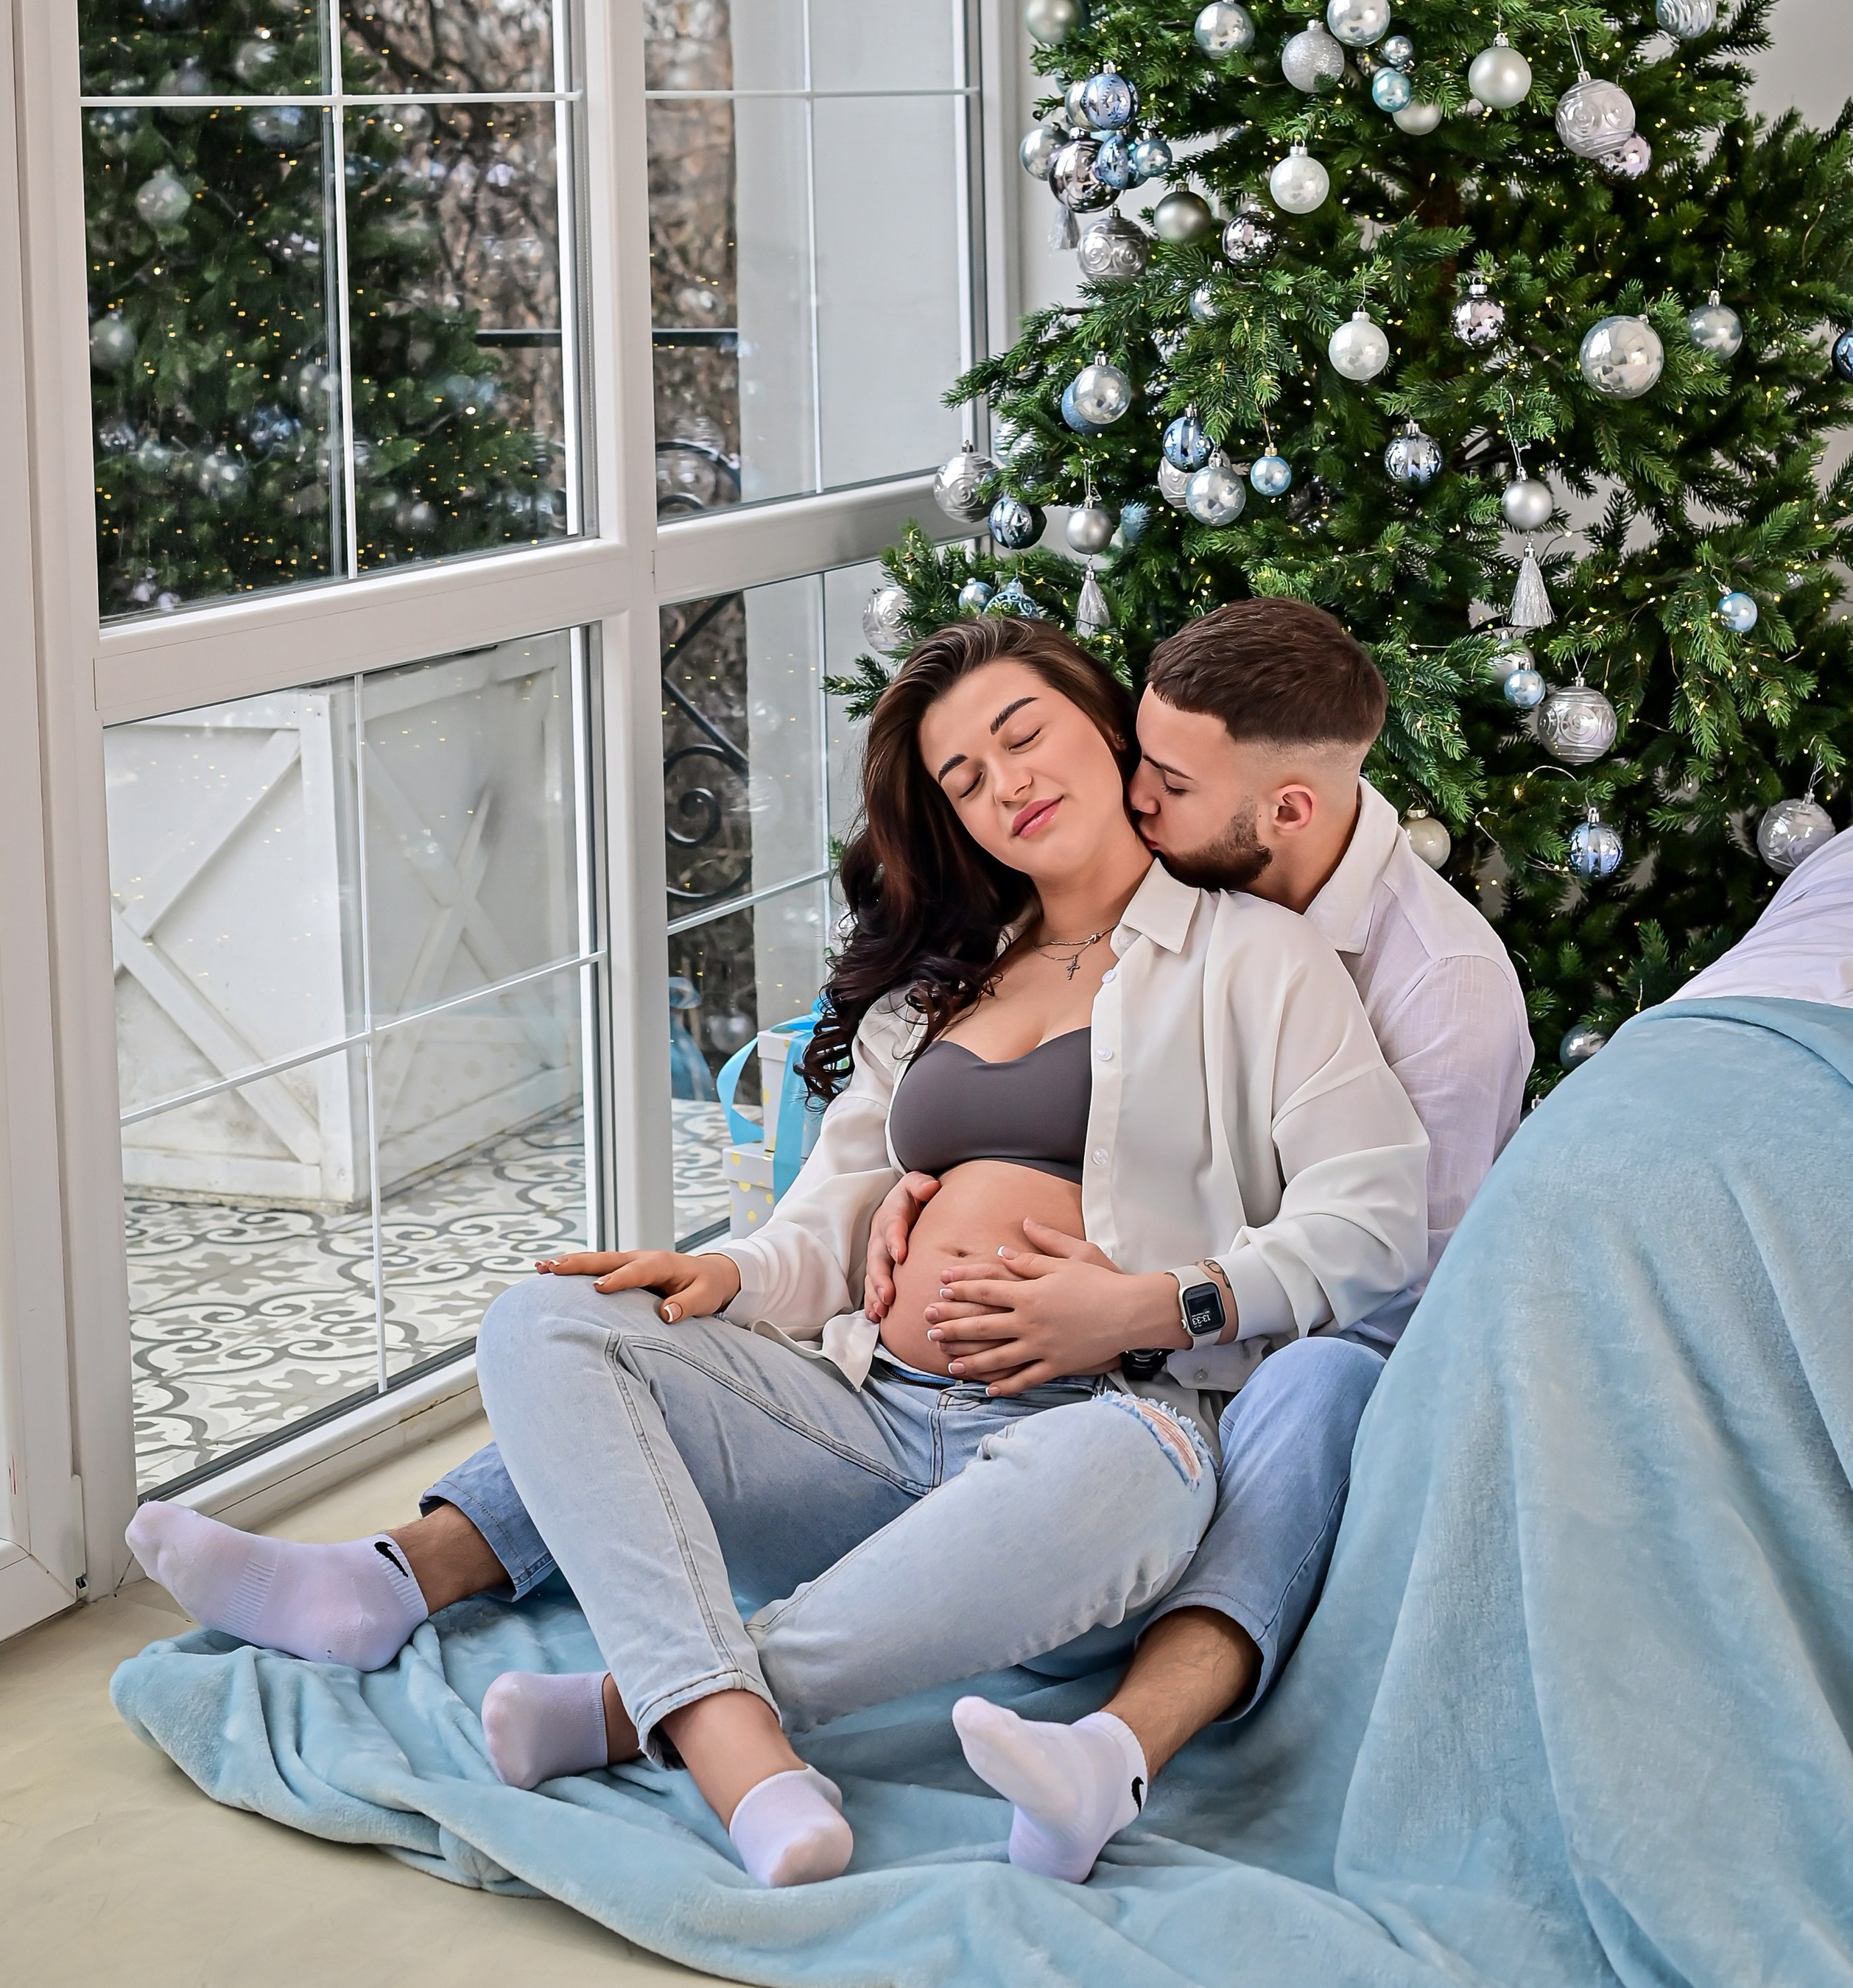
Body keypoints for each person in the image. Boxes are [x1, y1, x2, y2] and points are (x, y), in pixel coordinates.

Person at [127, 616, 1426, 1889]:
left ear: (1104, 727)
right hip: (866, 1425)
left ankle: (653, 1707)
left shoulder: (1254, 961)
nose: (1004, 783)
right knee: (551, 1323)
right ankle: (738, 1754)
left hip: (1088, 1441)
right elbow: (832, 1204)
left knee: (1140, 1468)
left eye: (1024, 735)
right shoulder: (941, 985)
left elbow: (1372, 1218)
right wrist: (732, 1279)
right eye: (962, 778)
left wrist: (1148, 1304)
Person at [932, 597, 1532, 1878]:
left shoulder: (1443, 994)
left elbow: (1386, 1290)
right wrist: (915, 1194)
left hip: (1307, 1365)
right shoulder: (1152, 898)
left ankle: (1113, 1755)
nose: (1135, 799)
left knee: (1319, 1385)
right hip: (1112, 1327)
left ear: (1291, 811)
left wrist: (1149, 1312)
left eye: (1173, 782)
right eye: (1139, 758)